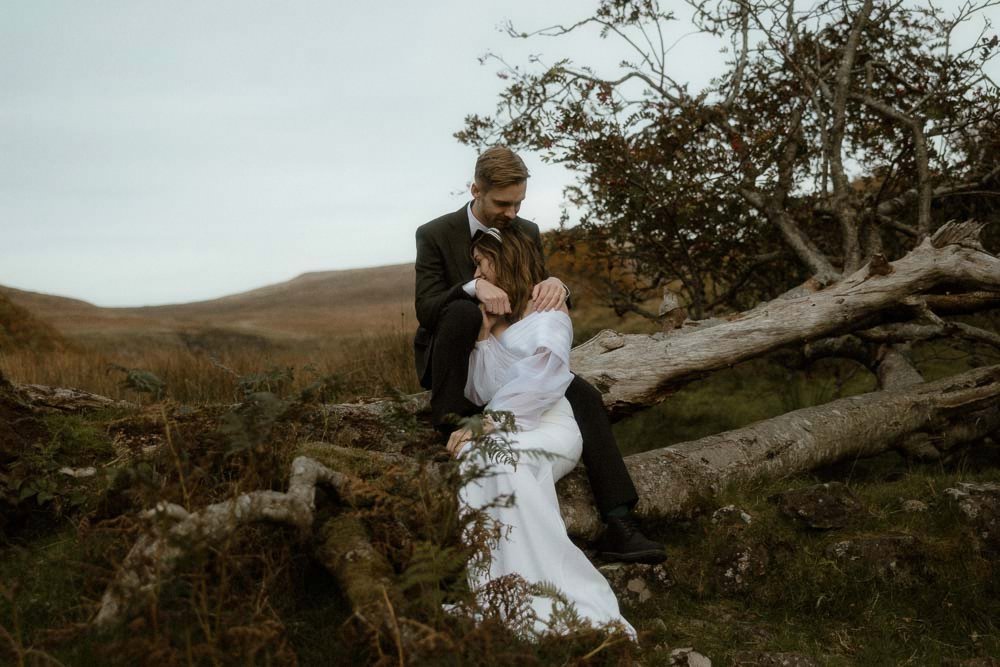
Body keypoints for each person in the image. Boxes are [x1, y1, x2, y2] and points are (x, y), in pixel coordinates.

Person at [413, 146, 665, 563]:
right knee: (458, 311)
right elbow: (426, 310)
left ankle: (620, 522)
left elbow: (536, 287)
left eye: (518, 203)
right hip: (457, 357)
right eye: (502, 203)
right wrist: (473, 288)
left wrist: (559, 286)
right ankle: (454, 422)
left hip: (512, 353)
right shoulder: (435, 233)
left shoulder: (525, 230)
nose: (511, 212)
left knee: (583, 395)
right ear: (475, 189)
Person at [447, 224, 636, 637]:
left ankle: (550, 590)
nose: (476, 273)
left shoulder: (548, 312)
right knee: (476, 461)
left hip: (551, 425)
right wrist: (482, 334)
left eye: (481, 264)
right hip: (505, 424)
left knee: (504, 463)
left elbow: (542, 382)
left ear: (502, 261)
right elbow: (479, 388)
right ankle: (497, 590)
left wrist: (485, 424)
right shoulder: (494, 318)